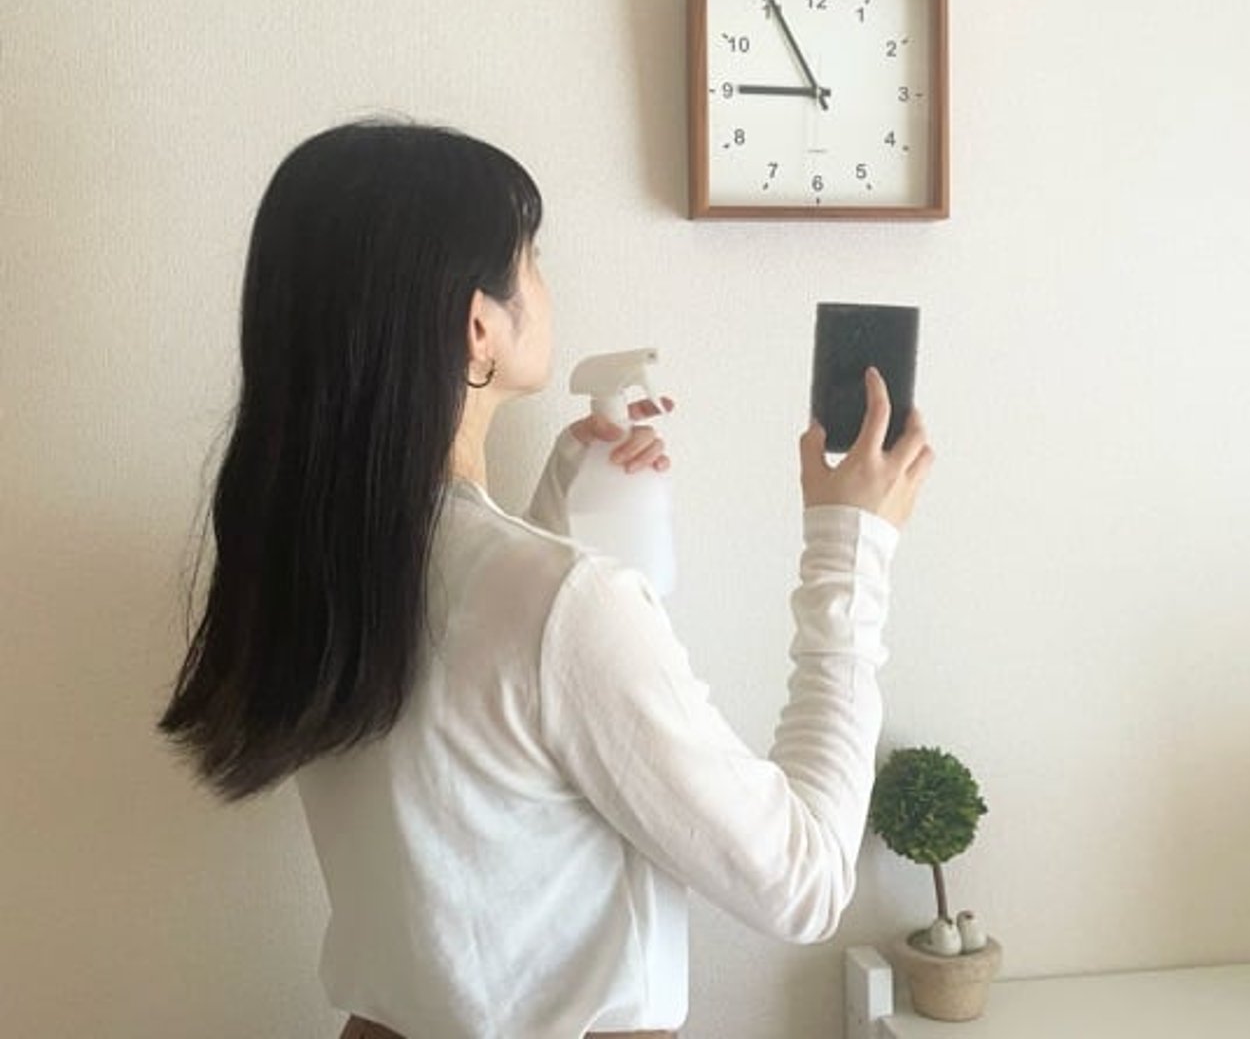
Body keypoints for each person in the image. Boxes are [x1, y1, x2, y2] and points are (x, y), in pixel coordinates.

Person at [158, 119, 934, 1039]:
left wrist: (556, 508)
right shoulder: (558, 602)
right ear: (477, 325)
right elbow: (802, 880)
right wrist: (850, 550)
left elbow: (476, 779)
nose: (542, 280)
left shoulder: (302, 567)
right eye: (531, 258)